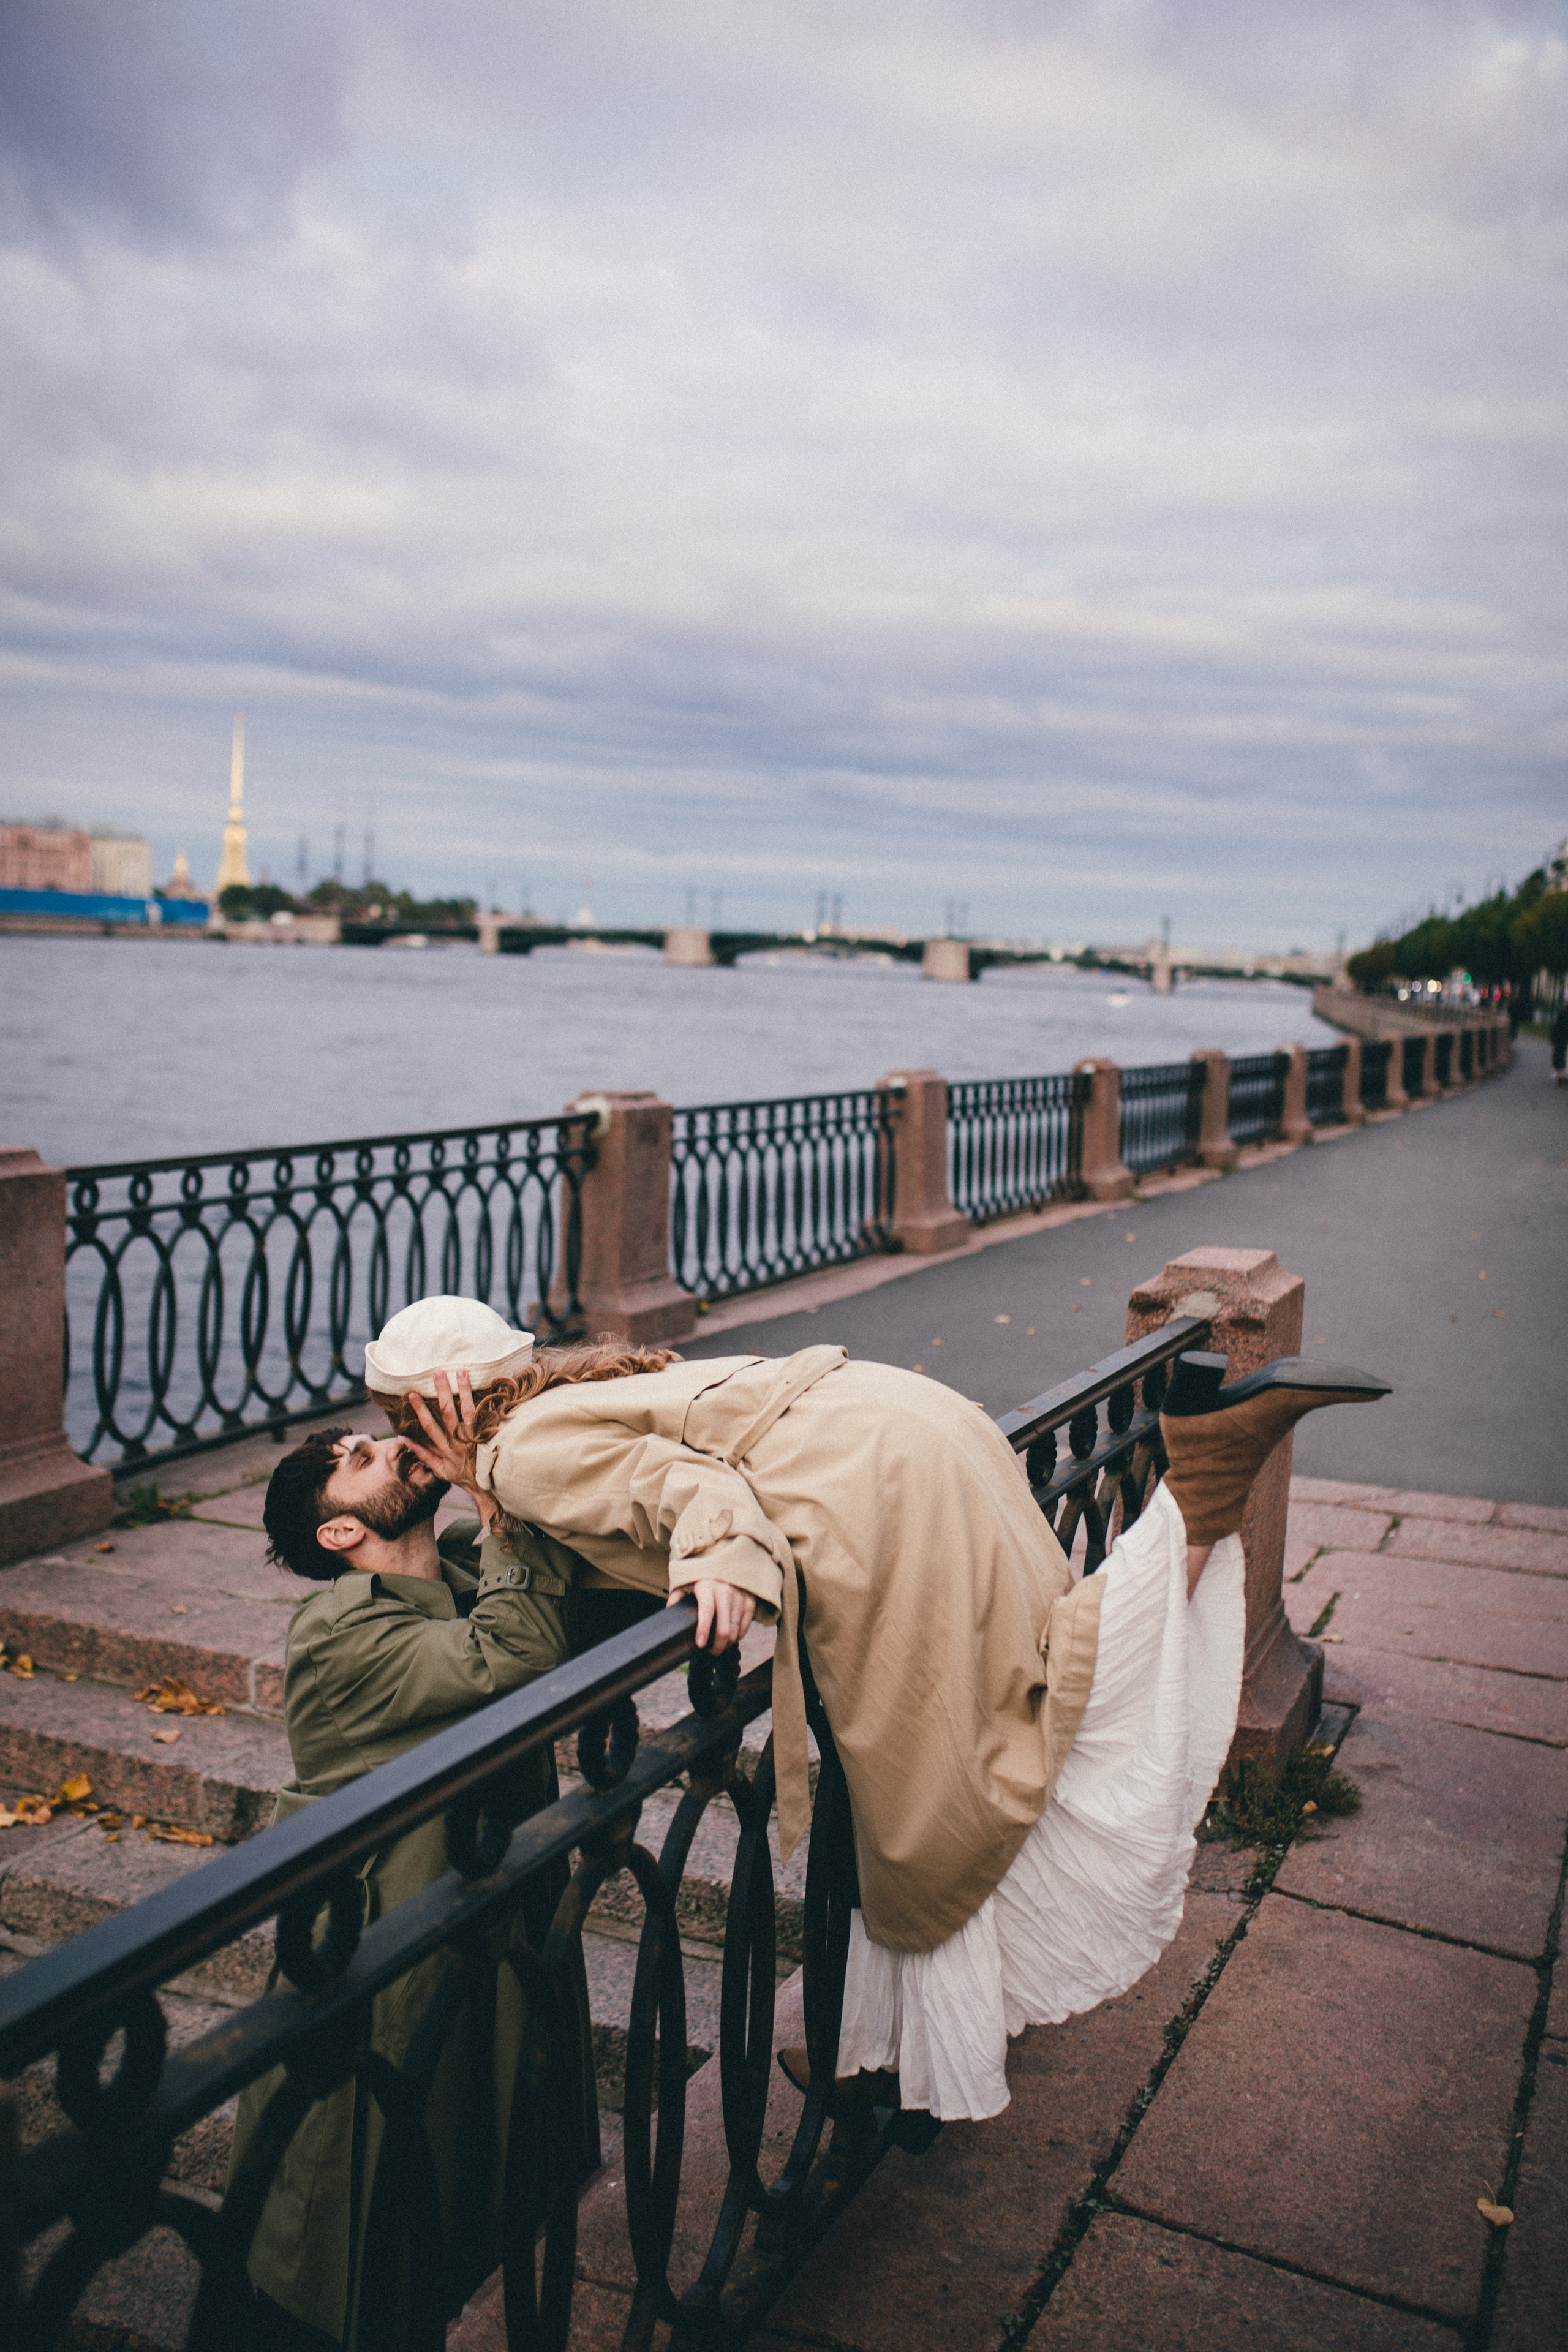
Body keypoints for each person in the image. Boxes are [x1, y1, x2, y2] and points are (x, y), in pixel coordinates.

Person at [374, 1297, 1387, 2127]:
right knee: (1008, 1704)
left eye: (396, 1429)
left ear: (432, 1412)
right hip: (920, 1429)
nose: (402, 1451)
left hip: (873, 1496)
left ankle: (1202, 1477)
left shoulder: (518, 1450)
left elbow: (685, 1490)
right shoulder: (582, 1388)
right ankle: (876, 2053)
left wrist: (714, 1553)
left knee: (955, 1783)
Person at [227, 1301, 596, 2352]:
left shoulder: (467, 1575)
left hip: (473, 1909)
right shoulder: (339, 1635)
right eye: (359, 1457)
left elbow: (551, 1592)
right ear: (340, 1530)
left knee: (483, 2143)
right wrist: (490, 1489)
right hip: (393, 1942)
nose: (385, 1441)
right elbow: (512, 1659)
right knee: (395, 2169)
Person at [1551, 998, 1568, 1083]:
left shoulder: (1562, 1013)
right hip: (1562, 1039)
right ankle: (1561, 1076)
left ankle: (1561, 1075)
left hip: (1562, 1039)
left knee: (1561, 1056)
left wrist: (1553, 1038)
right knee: (1562, 1056)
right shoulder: (1563, 1013)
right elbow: (1557, 1027)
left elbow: (1556, 1027)